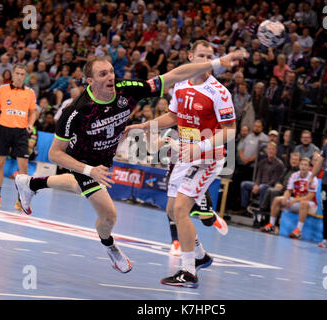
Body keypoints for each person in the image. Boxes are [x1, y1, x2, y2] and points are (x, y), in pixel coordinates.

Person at [14, 51, 246, 281]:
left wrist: (215, 63)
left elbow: (173, 75)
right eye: (103, 74)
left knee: (77, 187)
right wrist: (89, 170)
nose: (110, 77)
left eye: (111, 71)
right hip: (84, 161)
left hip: (106, 157)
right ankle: (110, 246)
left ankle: (31, 184)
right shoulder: (75, 112)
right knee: (109, 216)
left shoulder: (127, 89)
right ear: (91, 81)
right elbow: (55, 154)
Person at [124, 40, 245, 288]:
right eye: (201, 55)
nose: (205, 60)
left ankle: (188, 271)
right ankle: (200, 256)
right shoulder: (180, 84)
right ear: (190, 57)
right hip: (186, 155)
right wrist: (145, 126)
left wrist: (199, 147)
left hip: (208, 157)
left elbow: (230, 131)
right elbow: (174, 116)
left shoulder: (219, 92)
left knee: (180, 209)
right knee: (172, 211)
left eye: (210, 56)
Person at [0, 64, 37, 208]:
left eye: (22, 74)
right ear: (13, 74)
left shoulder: (30, 92)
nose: (20, 76)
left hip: (21, 132)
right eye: (17, 73)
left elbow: (33, 111)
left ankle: (20, 201)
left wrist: (31, 123)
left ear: (25, 76)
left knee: (23, 167)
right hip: (3, 129)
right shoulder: (2, 89)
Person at [261, 157, 318, 239]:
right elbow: (289, 190)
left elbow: (310, 197)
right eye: (302, 164)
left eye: (306, 165)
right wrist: (285, 197)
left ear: (309, 167)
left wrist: (294, 200)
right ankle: (272, 225)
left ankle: (298, 230)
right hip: (296, 202)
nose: (303, 167)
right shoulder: (294, 175)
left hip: (311, 205)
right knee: (277, 199)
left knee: (304, 203)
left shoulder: (313, 178)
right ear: (299, 166)